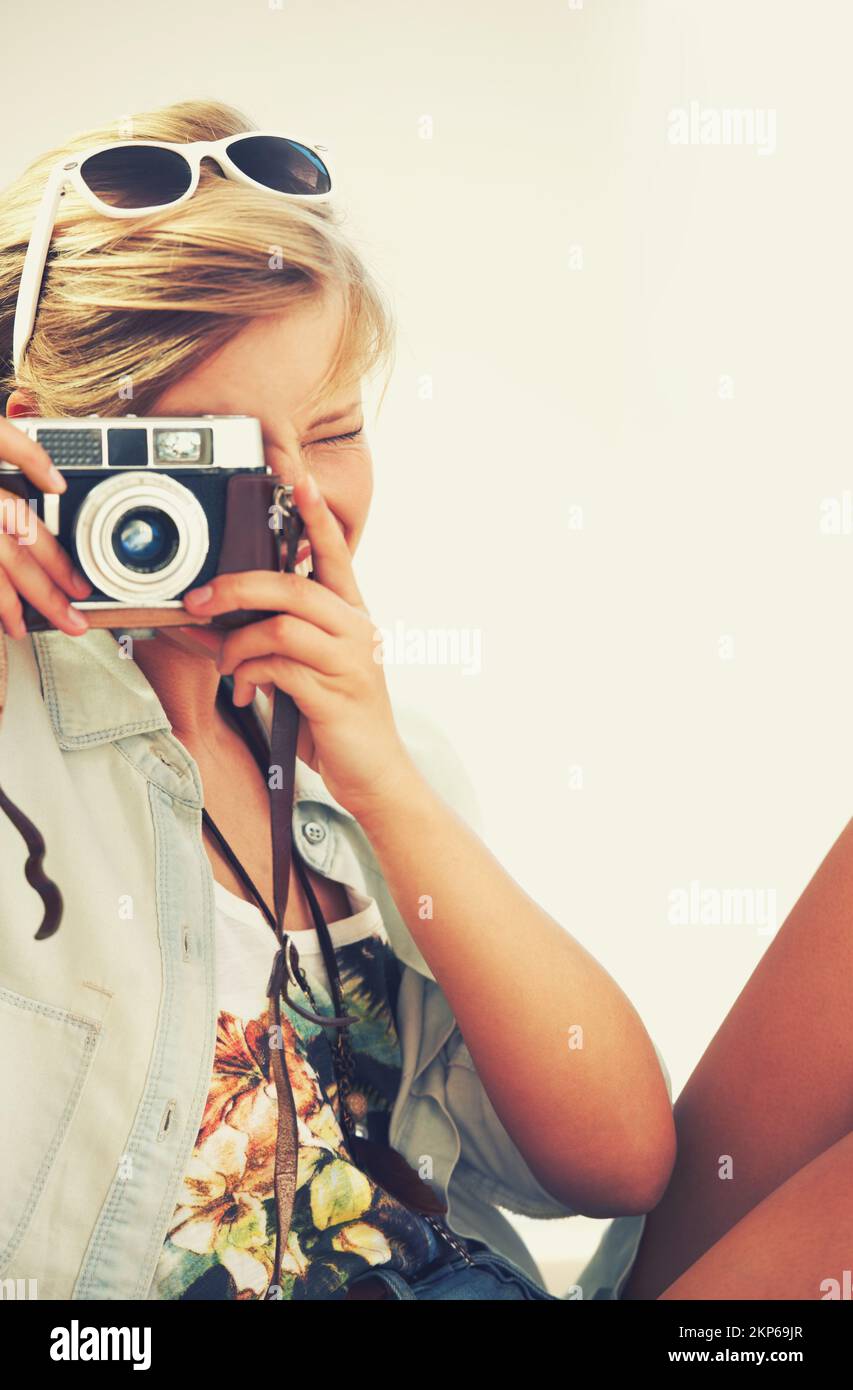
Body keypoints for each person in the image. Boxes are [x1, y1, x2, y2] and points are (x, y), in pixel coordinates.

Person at [0, 99, 674, 1302]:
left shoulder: (378, 757)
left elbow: (619, 1159)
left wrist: (381, 783)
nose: (300, 497)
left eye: (335, 429)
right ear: (40, 452)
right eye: (220, 456)